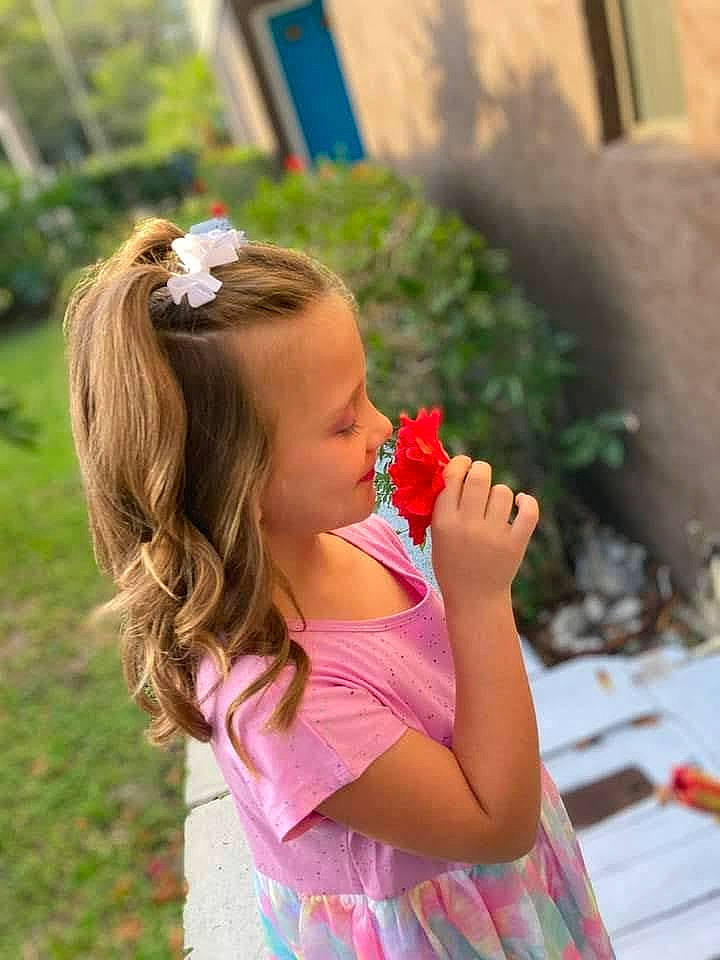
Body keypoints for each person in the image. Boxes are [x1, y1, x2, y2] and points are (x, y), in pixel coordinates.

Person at [64, 215, 616, 959]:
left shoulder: (356, 536)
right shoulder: (281, 699)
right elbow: (495, 824)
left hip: (505, 901)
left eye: (367, 394)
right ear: (236, 481)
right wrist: (481, 599)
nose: (382, 426)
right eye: (342, 420)